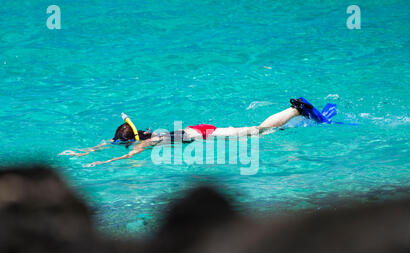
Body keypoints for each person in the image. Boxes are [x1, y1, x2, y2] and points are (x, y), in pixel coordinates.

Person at [60, 98, 332, 167]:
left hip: (210, 135)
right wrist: (84, 152)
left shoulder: (146, 143)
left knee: (258, 132)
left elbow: (126, 157)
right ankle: (294, 115)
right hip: (197, 129)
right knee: (261, 132)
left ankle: (296, 110)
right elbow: (111, 143)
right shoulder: (143, 137)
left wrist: (103, 163)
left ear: (131, 141)